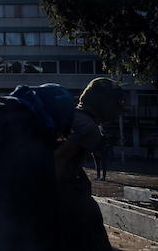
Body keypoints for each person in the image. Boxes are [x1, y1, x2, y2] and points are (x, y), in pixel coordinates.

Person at [54, 77, 125, 251]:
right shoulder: (88, 127)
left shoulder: (74, 116)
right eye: (117, 102)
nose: (120, 108)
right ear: (104, 103)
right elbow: (59, 158)